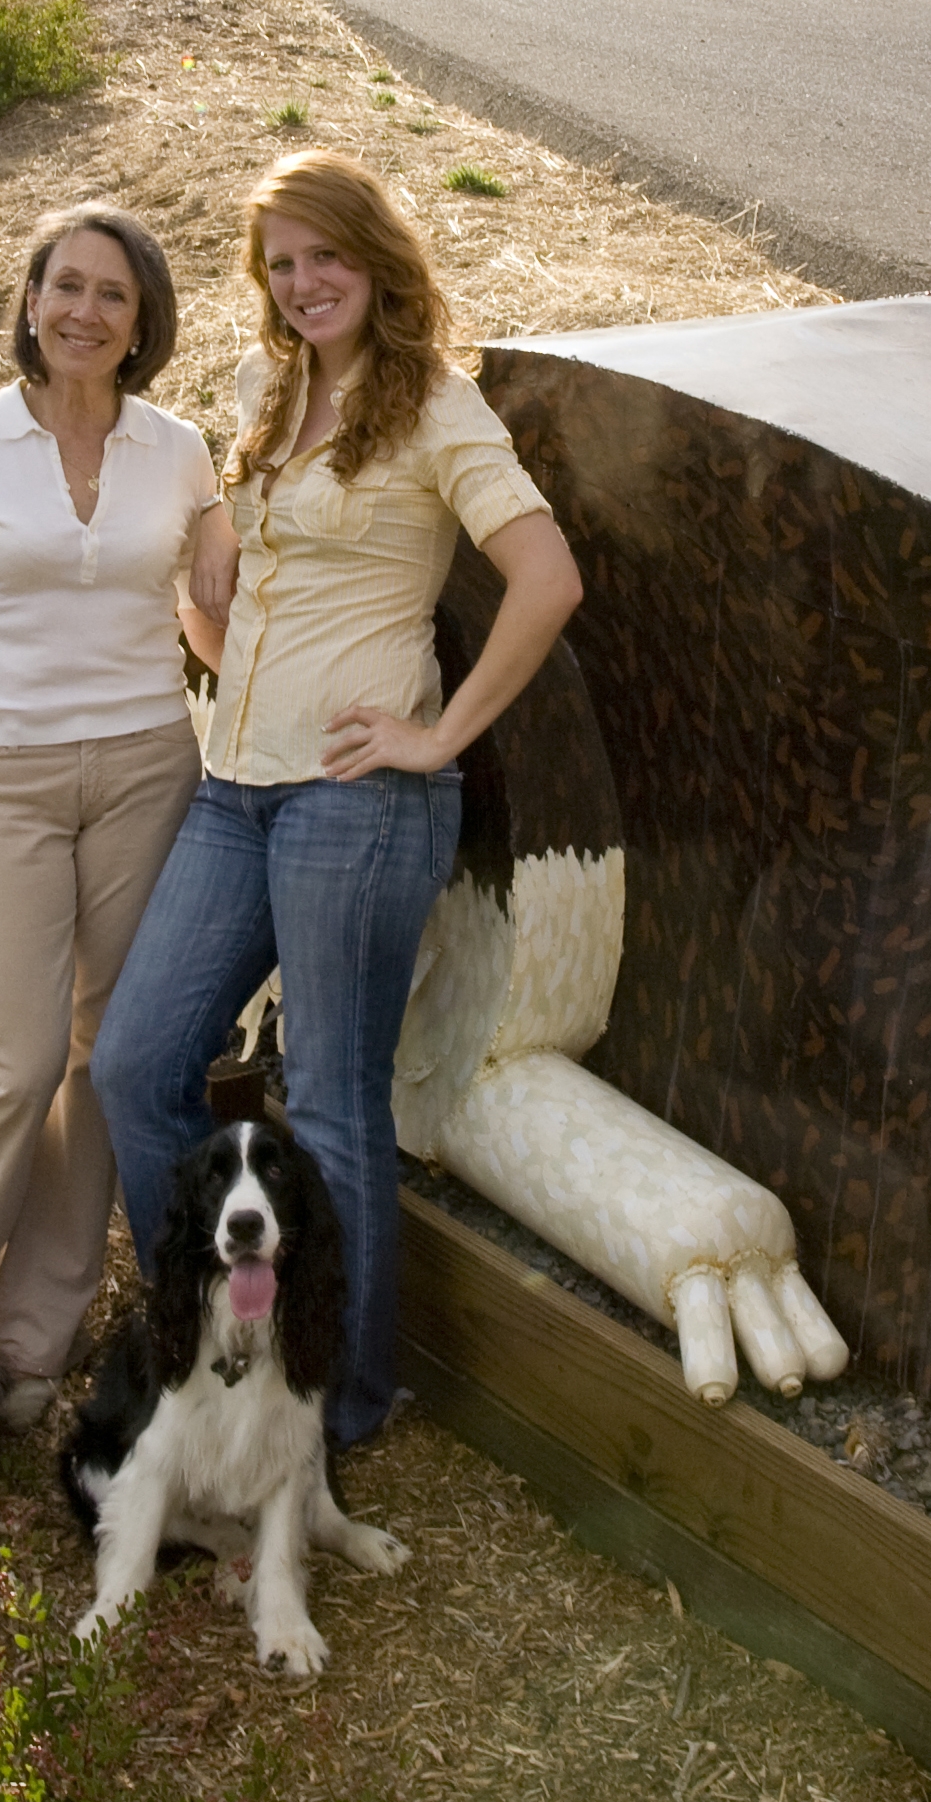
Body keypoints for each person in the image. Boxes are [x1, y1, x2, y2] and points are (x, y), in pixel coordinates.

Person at [92, 151, 585, 1448]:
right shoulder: (267, 391)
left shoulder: (436, 404)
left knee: (327, 1101)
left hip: (356, 807)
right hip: (234, 790)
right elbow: (233, 609)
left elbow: (546, 580)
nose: (304, 284)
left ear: (376, 259)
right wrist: (211, 605)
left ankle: (340, 1402)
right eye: (282, 263)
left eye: (327, 257)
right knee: (137, 1065)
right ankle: (205, 1347)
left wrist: (441, 738)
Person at [0, 202, 223, 1447]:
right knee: (15, 1062)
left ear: (142, 325)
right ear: (29, 303)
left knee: (99, 1055)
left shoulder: (180, 451)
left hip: (145, 767)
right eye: (64, 285)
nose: (84, 310)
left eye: (112, 295)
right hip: (6, 772)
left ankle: (30, 1350)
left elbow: (210, 614)